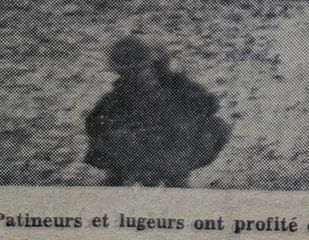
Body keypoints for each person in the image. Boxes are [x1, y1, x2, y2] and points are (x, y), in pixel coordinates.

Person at [84, 36, 230, 187]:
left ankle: (172, 178)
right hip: (144, 154)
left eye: (140, 69)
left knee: (206, 127)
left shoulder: (177, 87)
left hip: (169, 153)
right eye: (130, 72)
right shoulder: (119, 97)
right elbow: (95, 124)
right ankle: (124, 177)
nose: (137, 76)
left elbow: (208, 107)